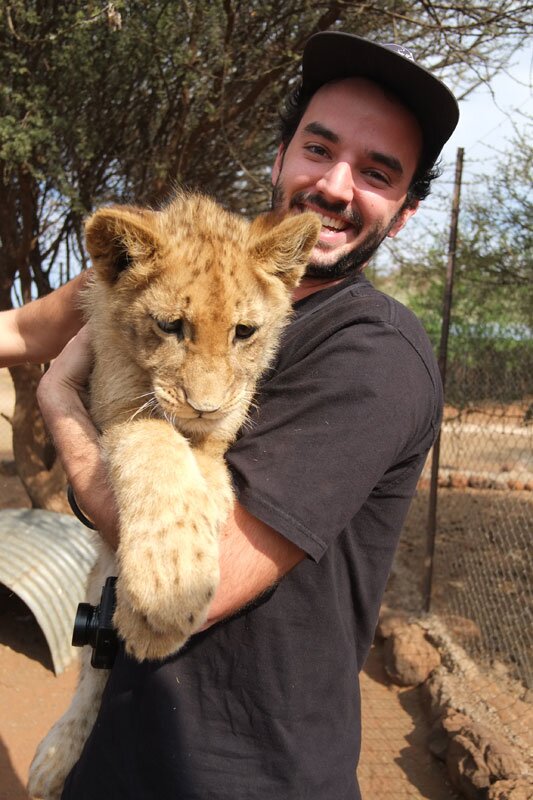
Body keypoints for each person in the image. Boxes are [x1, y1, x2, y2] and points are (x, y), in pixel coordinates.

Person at [3, 33, 458, 800]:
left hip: (247, 771)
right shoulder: (161, 262)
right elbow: (20, 329)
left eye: (379, 172)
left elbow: (192, 590)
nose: (338, 185)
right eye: (320, 147)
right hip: (123, 742)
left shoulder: (376, 354)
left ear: (406, 211)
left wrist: (58, 405)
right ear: (280, 157)